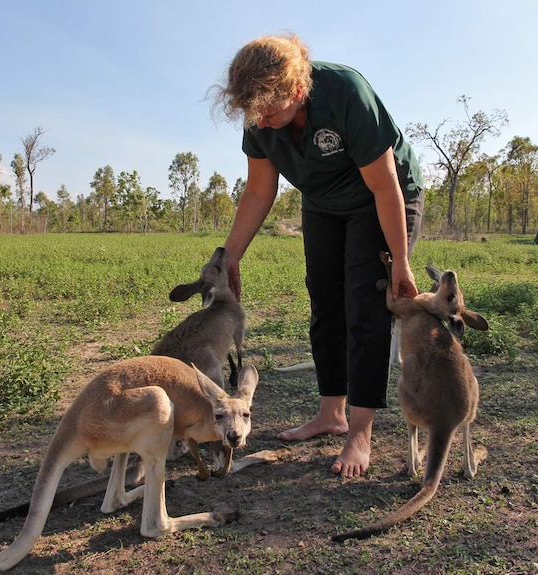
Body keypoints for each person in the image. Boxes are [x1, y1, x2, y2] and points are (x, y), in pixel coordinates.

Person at [211, 34, 425, 477]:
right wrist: (230, 254)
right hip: (324, 203)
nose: (263, 123)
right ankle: (332, 413)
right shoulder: (260, 113)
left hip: (382, 199)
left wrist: (400, 261)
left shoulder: (345, 92)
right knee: (325, 301)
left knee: (365, 303)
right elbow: (258, 190)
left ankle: (360, 433)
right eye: (256, 117)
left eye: (270, 114)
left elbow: (385, 186)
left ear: (295, 91)